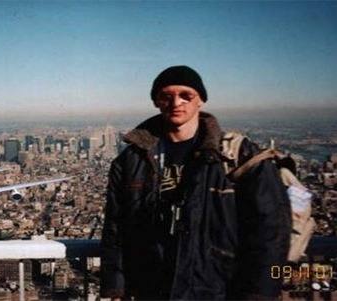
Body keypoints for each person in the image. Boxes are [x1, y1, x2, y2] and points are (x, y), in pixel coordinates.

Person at [100, 66, 291, 300]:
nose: (176, 102)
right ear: (156, 102)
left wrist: (259, 294)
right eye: (166, 96)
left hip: (219, 289)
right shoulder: (130, 161)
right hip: (152, 289)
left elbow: (272, 232)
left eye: (186, 95)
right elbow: (115, 228)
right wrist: (116, 289)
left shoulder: (239, 156)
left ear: (201, 100)